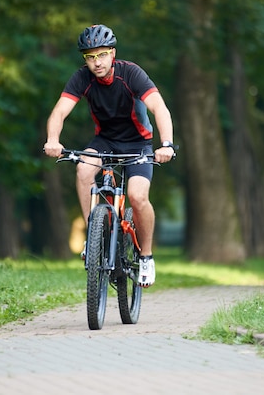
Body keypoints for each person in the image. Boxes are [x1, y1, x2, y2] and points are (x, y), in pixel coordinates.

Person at [44, 24, 176, 287]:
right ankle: (92, 238)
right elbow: (59, 112)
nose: (96, 62)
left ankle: (147, 256)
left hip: (138, 143)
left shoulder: (131, 73)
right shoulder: (82, 78)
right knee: (83, 169)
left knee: (138, 196)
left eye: (101, 55)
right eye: (90, 57)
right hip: (105, 141)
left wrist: (167, 144)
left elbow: (159, 108)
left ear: (112, 53)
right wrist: (53, 140)